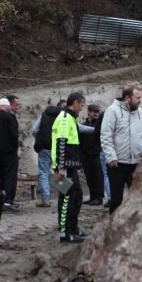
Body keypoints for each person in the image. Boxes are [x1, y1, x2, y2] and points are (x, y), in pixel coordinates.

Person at [100, 84, 142, 213]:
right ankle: (114, 224)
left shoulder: (141, 112)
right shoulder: (112, 111)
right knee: (117, 200)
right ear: (128, 98)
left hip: (136, 163)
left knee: (138, 197)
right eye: (137, 98)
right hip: (117, 164)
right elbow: (106, 135)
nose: (140, 100)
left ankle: (135, 224)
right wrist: (111, 157)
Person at [52, 92, 86, 242]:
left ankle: (73, 229)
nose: (82, 108)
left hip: (70, 166)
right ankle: (65, 233)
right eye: (81, 105)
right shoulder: (65, 118)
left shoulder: (70, 118)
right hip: (65, 167)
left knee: (76, 196)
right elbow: (61, 143)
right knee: (67, 198)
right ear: (76, 103)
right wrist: (61, 168)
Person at [31, 99, 66, 207]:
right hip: (59, 148)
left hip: (44, 148)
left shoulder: (45, 114)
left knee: (44, 173)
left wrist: (41, 139)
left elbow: (34, 130)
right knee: (60, 171)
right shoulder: (65, 116)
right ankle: (65, 198)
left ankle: (45, 199)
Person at [79, 103, 105, 205]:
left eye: (97, 112)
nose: (96, 114)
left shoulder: (99, 125)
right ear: (89, 112)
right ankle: (92, 197)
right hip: (85, 155)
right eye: (94, 111)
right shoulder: (83, 125)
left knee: (98, 177)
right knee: (89, 177)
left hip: (96, 154)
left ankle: (99, 198)